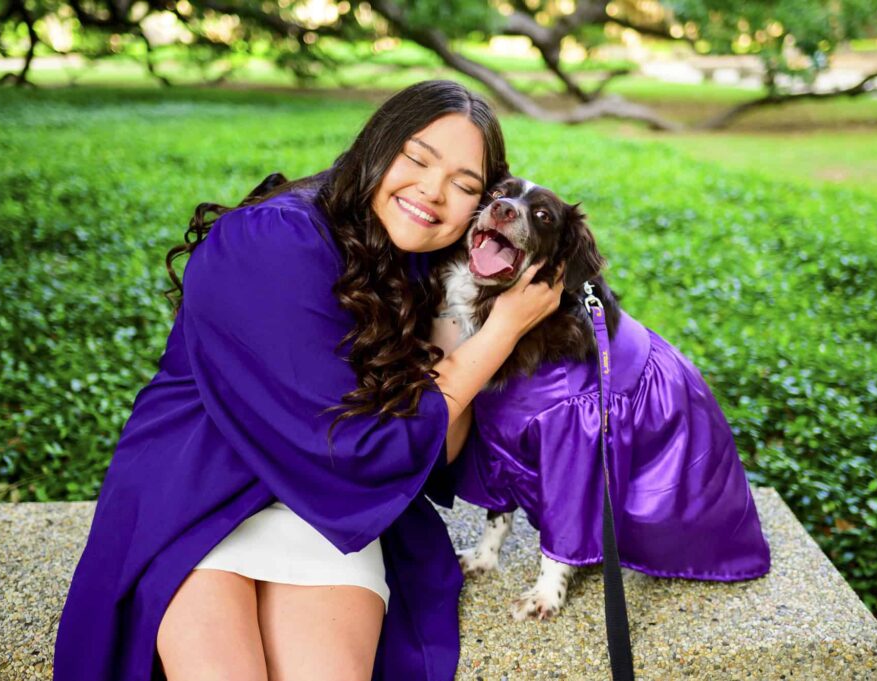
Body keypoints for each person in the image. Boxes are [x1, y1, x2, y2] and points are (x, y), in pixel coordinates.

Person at [52, 79, 566, 681]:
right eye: (419, 160)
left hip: (328, 509)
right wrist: (502, 330)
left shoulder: (425, 263)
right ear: (376, 146)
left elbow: (433, 457)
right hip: (201, 486)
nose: (433, 192)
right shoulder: (273, 240)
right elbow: (361, 449)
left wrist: (475, 316)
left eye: (465, 186)